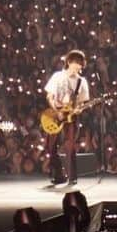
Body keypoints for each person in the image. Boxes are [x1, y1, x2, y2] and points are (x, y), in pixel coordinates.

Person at [44, 50, 91, 186]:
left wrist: (79, 109)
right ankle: (58, 174)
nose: (78, 66)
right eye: (76, 63)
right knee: (50, 146)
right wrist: (55, 110)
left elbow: (82, 102)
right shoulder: (57, 76)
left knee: (70, 145)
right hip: (55, 114)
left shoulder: (81, 81)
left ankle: (72, 177)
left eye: (80, 64)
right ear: (69, 62)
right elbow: (49, 96)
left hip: (71, 117)